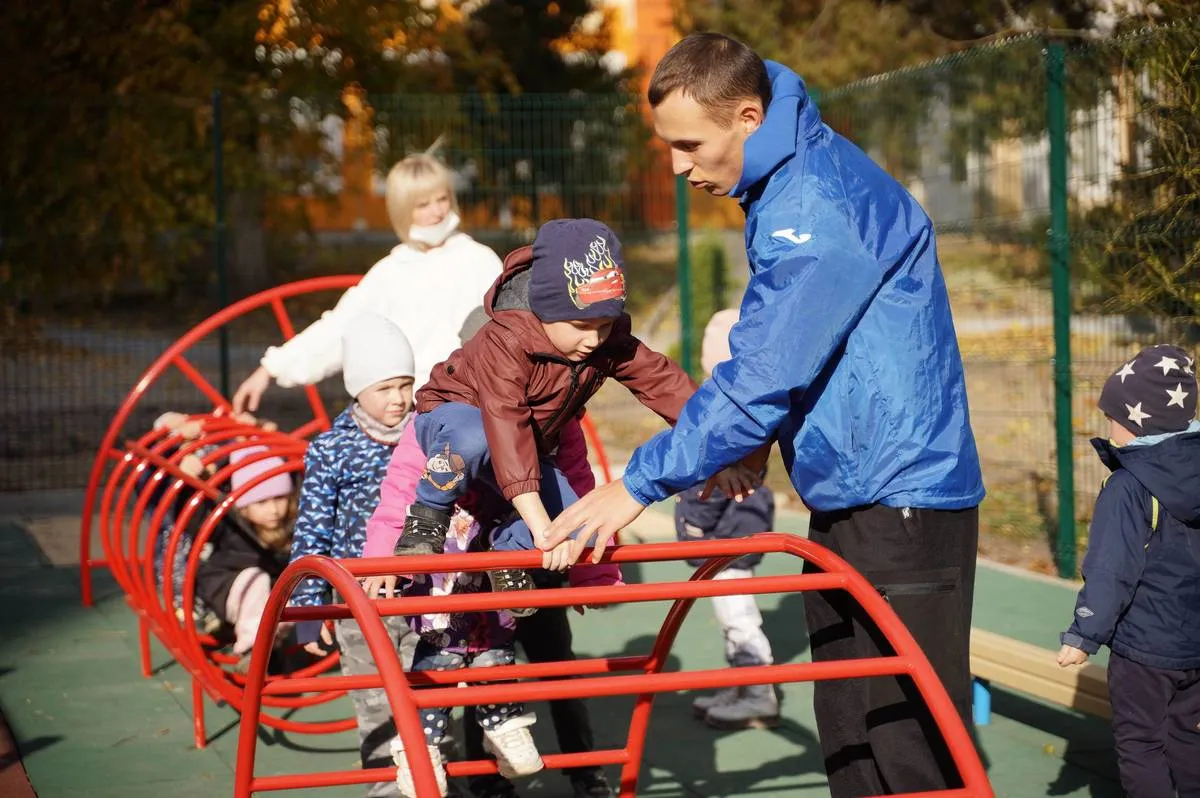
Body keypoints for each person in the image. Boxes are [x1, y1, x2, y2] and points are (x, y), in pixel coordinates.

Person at [544, 33, 984, 797]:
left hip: (905, 493)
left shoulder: (814, 206)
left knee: (907, 737)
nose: (677, 167)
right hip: (854, 485)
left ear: (748, 116)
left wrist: (637, 485)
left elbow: (765, 373)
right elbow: (803, 347)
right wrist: (751, 448)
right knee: (850, 727)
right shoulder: (785, 187)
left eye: (688, 145)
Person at [394, 218, 752, 603]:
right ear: (546, 309)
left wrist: (716, 450)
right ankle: (429, 513)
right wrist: (540, 525)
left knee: (578, 521)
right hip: (457, 419)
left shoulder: (601, 341)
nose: (593, 339)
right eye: (582, 325)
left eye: (604, 325)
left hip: (523, 448)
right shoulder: (507, 340)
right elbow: (505, 422)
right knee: (475, 436)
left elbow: (662, 382)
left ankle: (506, 550)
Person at [365, 304, 622, 798]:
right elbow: (400, 490)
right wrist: (385, 556)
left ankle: (583, 770)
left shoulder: (554, 414)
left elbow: (577, 482)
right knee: (455, 659)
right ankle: (483, 779)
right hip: (458, 569)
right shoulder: (444, 419)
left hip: (529, 561)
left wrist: (595, 572)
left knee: (551, 662)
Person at [231, 153, 502, 414]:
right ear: (402, 211)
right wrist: (272, 368)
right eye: (422, 205)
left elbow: (508, 332)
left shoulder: (479, 261)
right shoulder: (391, 272)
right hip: (411, 407)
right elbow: (341, 328)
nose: (437, 211)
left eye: (442, 199)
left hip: (470, 405)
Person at [1057, 344, 1200, 797]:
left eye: (1114, 417)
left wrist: (1085, 635)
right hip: (1195, 643)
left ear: (1138, 422)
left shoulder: (1128, 486)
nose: (1109, 427)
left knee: (1140, 743)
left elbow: (1110, 569)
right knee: (1187, 736)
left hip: (1144, 648)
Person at [287, 313, 418, 798]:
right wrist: (309, 609)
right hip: (358, 599)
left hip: (422, 591)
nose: (399, 399)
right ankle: (384, 782)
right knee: (374, 696)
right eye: (385, 387)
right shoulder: (332, 448)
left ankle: (433, 775)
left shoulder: (424, 434)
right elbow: (313, 528)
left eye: (405, 385)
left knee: (427, 691)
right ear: (358, 388)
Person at [679, 309, 780, 730]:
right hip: (740, 528)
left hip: (729, 536)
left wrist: (696, 527)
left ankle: (759, 694)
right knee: (732, 614)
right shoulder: (751, 407)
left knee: (738, 616)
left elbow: (708, 483)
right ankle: (744, 686)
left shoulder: (723, 414)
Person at [194, 446, 298, 672]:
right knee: (256, 579)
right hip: (224, 590)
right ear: (244, 506)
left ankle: (271, 644)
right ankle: (252, 649)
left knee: (297, 586)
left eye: (279, 498)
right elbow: (194, 516)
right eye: (261, 502)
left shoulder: (293, 527)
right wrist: (192, 478)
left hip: (264, 599)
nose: (273, 510)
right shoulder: (231, 524)